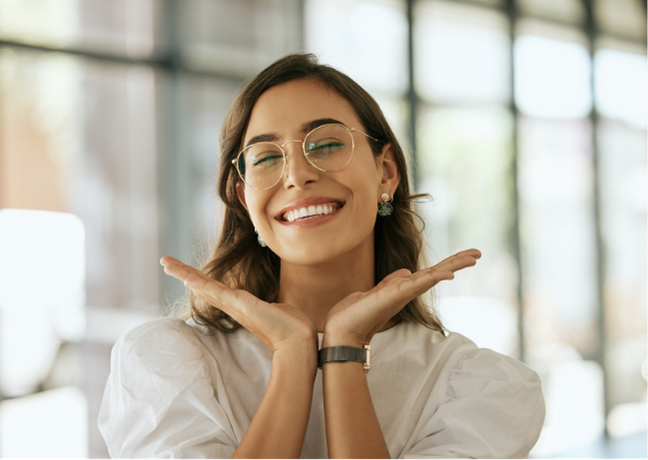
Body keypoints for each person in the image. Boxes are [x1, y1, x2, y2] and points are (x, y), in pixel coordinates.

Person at [98, 53, 545, 459]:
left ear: (385, 172)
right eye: (265, 157)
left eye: (327, 144)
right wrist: (293, 355)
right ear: (244, 200)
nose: (296, 175)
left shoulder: (478, 387)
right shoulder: (165, 364)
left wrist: (344, 350)